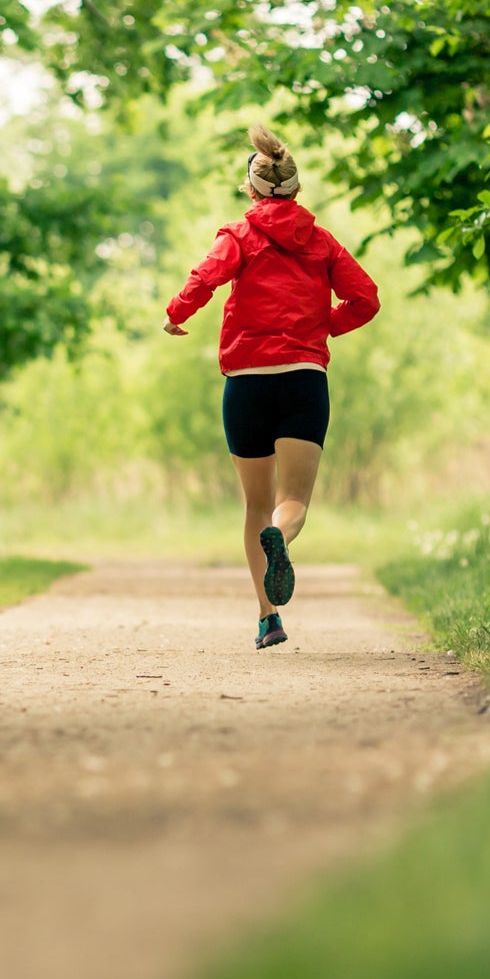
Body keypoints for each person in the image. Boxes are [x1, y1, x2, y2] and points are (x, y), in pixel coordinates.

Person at [163, 125, 381, 649]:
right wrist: (322, 325)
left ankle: (268, 618)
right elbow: (366, 298)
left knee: (255, 505)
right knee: (293, 502)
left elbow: (205, 278)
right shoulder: (323, 242)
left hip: (247, 383)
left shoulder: (238, 236)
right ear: (296, 190)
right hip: (305, 380)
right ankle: (280, 540)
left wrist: (176, 315)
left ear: (253, 189)